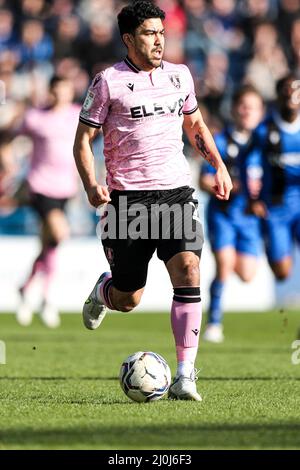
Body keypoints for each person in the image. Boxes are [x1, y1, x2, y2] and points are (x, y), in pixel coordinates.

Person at [73, 1, 232, 401]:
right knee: (129, 298)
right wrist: (92, 185)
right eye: (149, 33)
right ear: (129, 38)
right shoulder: (107, 81)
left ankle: (185, 376)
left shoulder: (180, 76)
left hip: (176, 193)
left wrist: (219, 165)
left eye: (161, 31)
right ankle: (104, 292)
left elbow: (195, 124)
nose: (159, 39)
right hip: (128, 200)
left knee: (189, 271)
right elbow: (82, 141)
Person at [199, 85, 265, 343]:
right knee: (223, 266)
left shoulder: (265, 142)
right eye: (243, 106)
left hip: (249, 219)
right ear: (235, 109)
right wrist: (223, 186)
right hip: (223, 213)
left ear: (261, 112)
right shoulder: (222, 141)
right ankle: (214, 322)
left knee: (247, 275)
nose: (247, 111)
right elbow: (203, 179)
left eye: (253, 107)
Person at [17, 76, 80, 328]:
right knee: (59, 233)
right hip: (40, 185)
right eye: (56, 91)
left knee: (49, 245)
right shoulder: (36, 117)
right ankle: (47, 298)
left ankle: (27, 288)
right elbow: (11, 137)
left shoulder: (77, 114)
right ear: (50, 92)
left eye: (64, 90)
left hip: (65, 187)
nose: (60, 95)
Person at [247, 74, 300, 281]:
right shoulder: (264, 130)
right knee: (282, 272)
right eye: (287, 91)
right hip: (276, 205)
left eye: (296, 91)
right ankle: (275, 246)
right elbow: (251, 166)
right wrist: (253, 198)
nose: (292, 96)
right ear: (278, 96)